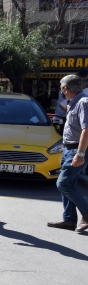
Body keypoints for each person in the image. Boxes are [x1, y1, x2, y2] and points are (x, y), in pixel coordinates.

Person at [47, 74, 88, 232]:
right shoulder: (74, 102)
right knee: (68, 184)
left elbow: (86, 129)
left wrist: (81, 154)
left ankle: (86, 214)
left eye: (61, 87)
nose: (61, 90)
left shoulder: (83, 102)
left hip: (77, 149)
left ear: (66, 89)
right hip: (69, 148)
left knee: (63, 183)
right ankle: (69, 220)